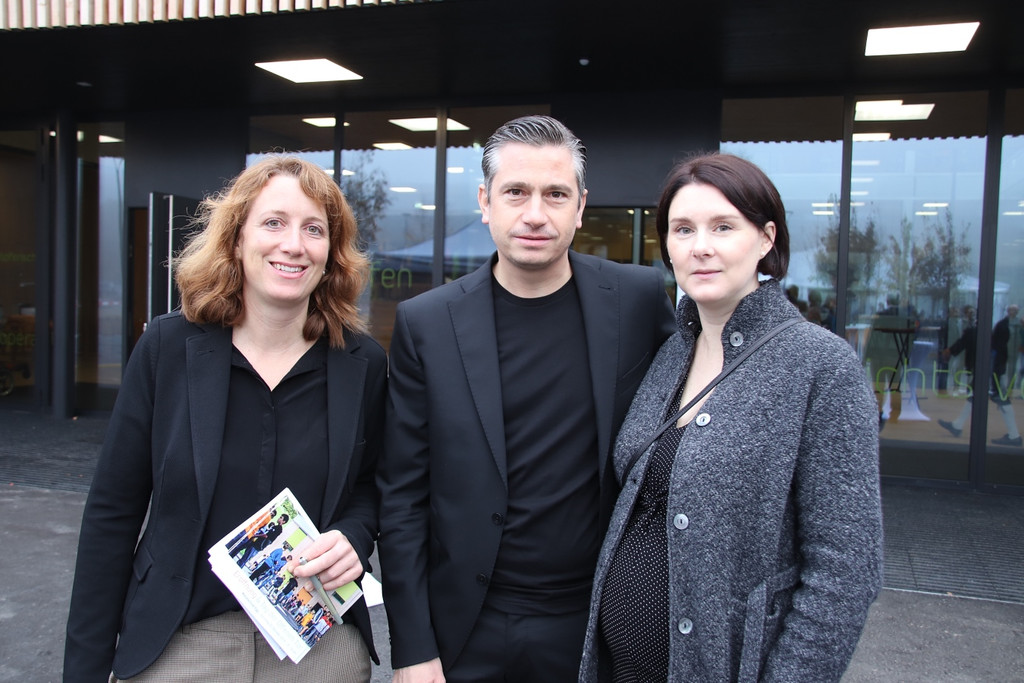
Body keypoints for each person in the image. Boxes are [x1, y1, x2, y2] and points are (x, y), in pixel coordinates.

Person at [63, 156, 387, 682]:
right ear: (236, 239)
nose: (293, 244)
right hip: (180, 643)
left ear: (331, 254)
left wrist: (354, 535)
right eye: (273, 222)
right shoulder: (168, 348)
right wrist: (84, 670)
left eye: (314, 229)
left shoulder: (362, 364)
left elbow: (373, 485)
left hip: (318, 647)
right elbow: (112, 512)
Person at [377, 115, 675, 683]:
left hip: (599, 623)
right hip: (467, 628)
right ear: (486, 202)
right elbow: (402, 499)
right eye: (516, 192)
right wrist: (413, 649)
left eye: (555, 194)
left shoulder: (635, 300)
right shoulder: (427, 324)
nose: (535, 214)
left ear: (580, 207)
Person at [578, 152, 883, 682]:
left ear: (766, 238)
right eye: (683, 229)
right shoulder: (671, 351)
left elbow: (846, 570)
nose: (701, 246)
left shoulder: (819, 365)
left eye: (723, 226)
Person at [939, 303, 1022, 447]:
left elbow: (979, 339)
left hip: (993, 367)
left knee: (1000, 398)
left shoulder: (1003, 325)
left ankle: (1014, 435)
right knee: (977, 395)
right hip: (993, 366)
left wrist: (951, 351)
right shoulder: (1003, 325)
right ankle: (957, 425)